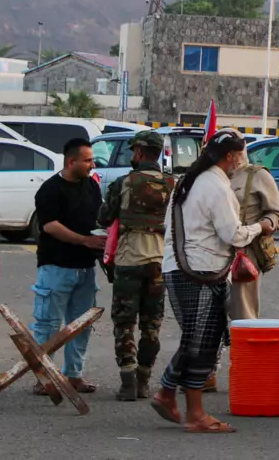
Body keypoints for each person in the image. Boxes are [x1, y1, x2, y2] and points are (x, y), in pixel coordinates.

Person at [151, 130, 272, 434]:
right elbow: (233, 234)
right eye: (240, 156)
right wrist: (260, 226)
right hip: (200, 272)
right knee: (202, 342)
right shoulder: (216, 186)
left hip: (181, 268)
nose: (240, 162)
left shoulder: (189, 180)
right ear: (231, 157)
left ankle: (167, 393)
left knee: (195, 338)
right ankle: (195, 414)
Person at [98, 131, 174, 402]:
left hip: (129, 261)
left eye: (133, 151)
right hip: (159, 263)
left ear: (140, 152)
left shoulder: (123, 183)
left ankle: (128, 382)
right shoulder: (172, 184)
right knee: (151, 324)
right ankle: (144, 379)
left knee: (124, 322)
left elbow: (105, 217)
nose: (132, 156)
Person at [31, 137, 105, 395]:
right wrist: (85, 241)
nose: (92, 165)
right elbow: (50, 226)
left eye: (92, 160)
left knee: (81, 325)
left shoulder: (92, 187)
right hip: (56, 267)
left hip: (85, 269)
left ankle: (73, 375)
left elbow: (98, 217)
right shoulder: (50, 190)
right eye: (87, 160)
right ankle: (45, 378)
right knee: (48, 325)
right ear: (71, 161)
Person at [227, 146, 279, 320]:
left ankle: (245, 347)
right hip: (213, 253)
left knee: (243, 314)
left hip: (244, 255)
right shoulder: (214, 176)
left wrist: (263, 225)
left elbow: (277, 215)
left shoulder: (258, 176)